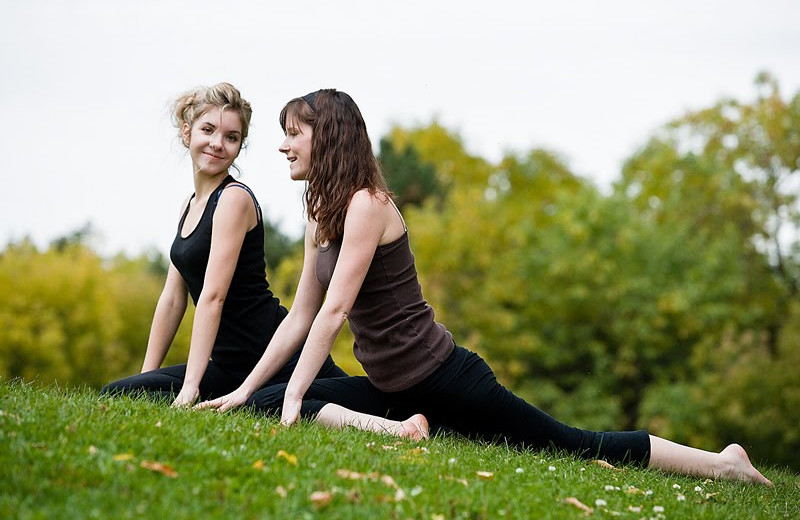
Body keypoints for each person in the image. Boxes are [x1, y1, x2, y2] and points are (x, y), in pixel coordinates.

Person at [199, 89, 771, 485]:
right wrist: (248, 391)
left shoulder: (367, 205)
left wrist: (299, 396)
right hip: (396, 392)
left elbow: (334, 312)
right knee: (272, 404)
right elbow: (301, 314)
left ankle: (724, 465)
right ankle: (402, 431)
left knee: (574, 445)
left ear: (326, 137)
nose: (282, 146)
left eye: (292, 134)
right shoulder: (318, 210)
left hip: (448, 380)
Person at [100, 83, 348, 408]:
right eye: (208, 130)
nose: (217, 143)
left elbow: (213, 298)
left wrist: (190, 386)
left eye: (231, 137)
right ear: (187, 133)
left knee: (352, 405)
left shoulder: (233, 199)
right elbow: (173, 300)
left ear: (238, 147)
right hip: (230, 367)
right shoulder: (190, 206)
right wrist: (147, 375)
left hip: (275, 358)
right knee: (123, 392)